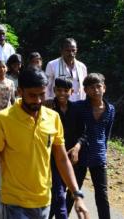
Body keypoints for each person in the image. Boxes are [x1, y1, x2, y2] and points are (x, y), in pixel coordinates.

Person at [0, 67, 88, 219]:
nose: (38, 100)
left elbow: (61, 159)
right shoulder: (3, 119)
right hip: (14, 202)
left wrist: (77, 195)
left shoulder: (53, 118)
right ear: (20, 92)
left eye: (42, 94)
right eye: (32, 95)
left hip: (43, 201)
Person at [66, 73, 115, 219]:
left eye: (99, 86)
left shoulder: (110, 109)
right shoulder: (78, 107)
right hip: (80, 155)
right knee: (73, 192)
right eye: (91, 87)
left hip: (99, 155)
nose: (96, 90)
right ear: (85, 90)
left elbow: (107, 134)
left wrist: (104, 153)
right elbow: (71, 129)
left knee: (102, 194)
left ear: (104, 88)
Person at [44, 78, 86, 219]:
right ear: (54, 90)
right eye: (59, 90)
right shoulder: (47, 108)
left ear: (72, 92)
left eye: (66, 91)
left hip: (73, 158)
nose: (62, 93)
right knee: (58, 192)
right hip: (54, 157)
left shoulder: (76, 110)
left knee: (66, 193)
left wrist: (76, 147)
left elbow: (84, 133)